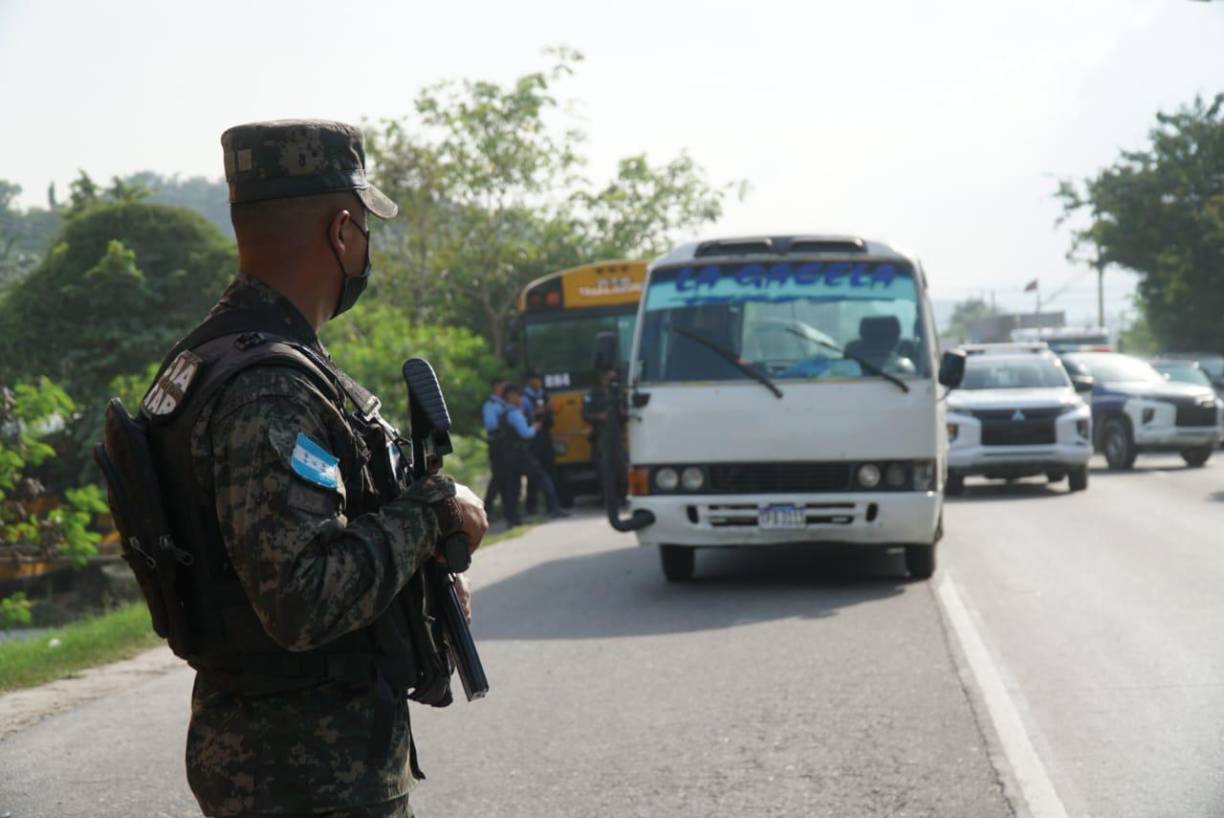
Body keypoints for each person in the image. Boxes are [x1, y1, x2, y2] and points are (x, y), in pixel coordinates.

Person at [142, 120, 487, 818]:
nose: (365, 245)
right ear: (341, 233)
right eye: (364, 226)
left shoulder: (209, 359)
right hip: (310, 777)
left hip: (279, 760)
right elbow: (300, 600)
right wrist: (433, 512)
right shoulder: (271, 387)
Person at [501, 384, 568, 521]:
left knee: (513, 487)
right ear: (511, 396)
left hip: (509, 455)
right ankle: (554, 508)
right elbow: (526, 434)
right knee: (543, 478)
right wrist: (535, 427)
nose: (520, 399)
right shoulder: (514, 413)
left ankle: (512, 519)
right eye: (518, 396)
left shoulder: (504, 413)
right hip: (521, 454)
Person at [521, 369, 559, 513]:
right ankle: (531, 506)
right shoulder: (524, 398)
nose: (539, 382)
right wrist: (541, 411)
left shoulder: (543, 394)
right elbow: (526, 416)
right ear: (529, 381)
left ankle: (553, 505)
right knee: (534, 473)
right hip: (533, 439)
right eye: (536, 379)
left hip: (545, 435)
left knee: (550, 469)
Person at [481, 377, 510, 519]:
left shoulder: (505, 404)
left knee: (506, 478)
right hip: (497, 445)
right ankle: (486, 511)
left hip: (506, 446)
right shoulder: (491, 405)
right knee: (498, 478)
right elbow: (491, 425)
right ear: (497, 387)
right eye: (503, 387)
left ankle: (508, 512)